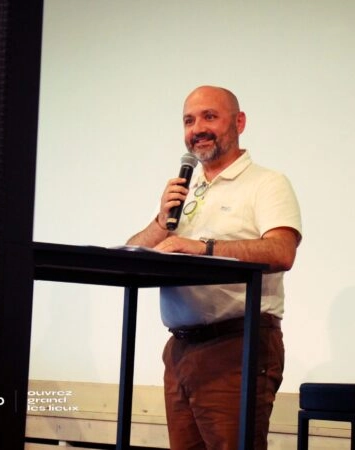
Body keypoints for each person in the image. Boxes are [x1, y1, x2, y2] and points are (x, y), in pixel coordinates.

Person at [126, 85, 302, 449]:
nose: (198, 128)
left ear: (239, 122)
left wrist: (203, 248)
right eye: (189, 121)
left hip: (236, 346)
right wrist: (160, 221)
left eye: (210, 117)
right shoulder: (184, 191)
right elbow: (131, 255)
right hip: (180, 349)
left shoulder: (267, 183)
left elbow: (282, 251)